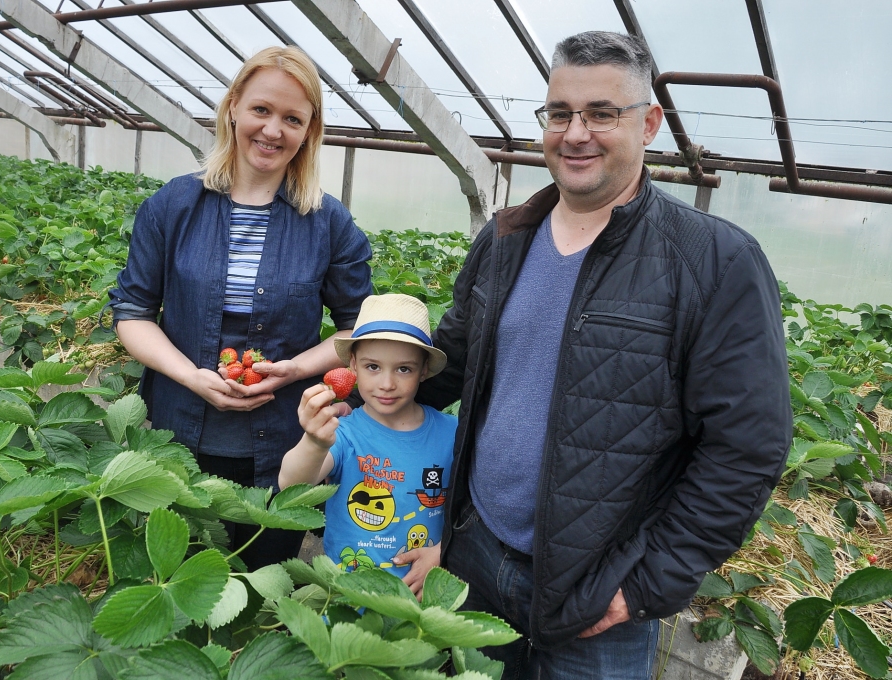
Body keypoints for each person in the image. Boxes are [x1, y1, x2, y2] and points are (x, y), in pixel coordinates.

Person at [415, 31, 792, 679]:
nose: (576, 132)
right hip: (476, 557)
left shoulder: (712, 260)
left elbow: (747, 445)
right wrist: (345, 384)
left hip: (597, 591)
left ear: (647, 124)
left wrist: (646, 584)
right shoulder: (505, 239)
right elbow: (449, 365)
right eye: (559, 113)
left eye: (601, 113)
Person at [108, 46, 372, 570]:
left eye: (292, 119)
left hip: (285, 445)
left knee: (260, 584)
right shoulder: (173, 206)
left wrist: (297, 368)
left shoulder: (328, 222)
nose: (273, 130)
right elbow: (132, 312)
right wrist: (190, 376)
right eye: (261, 110)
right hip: (178, 431)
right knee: (182, 577)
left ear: (308, 131)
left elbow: (359, 326)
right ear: (233, 108)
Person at [278, 294, 456, 597]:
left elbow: (468, 506)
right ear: (352, 367)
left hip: (420, 591)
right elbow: (292, 486)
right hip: (345, 594)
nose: (387, 383)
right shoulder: (344, 432)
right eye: (373, 366)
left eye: (404, 369)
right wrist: (314, 440)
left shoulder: (451, 431)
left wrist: (442, 551)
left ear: (424, 370)